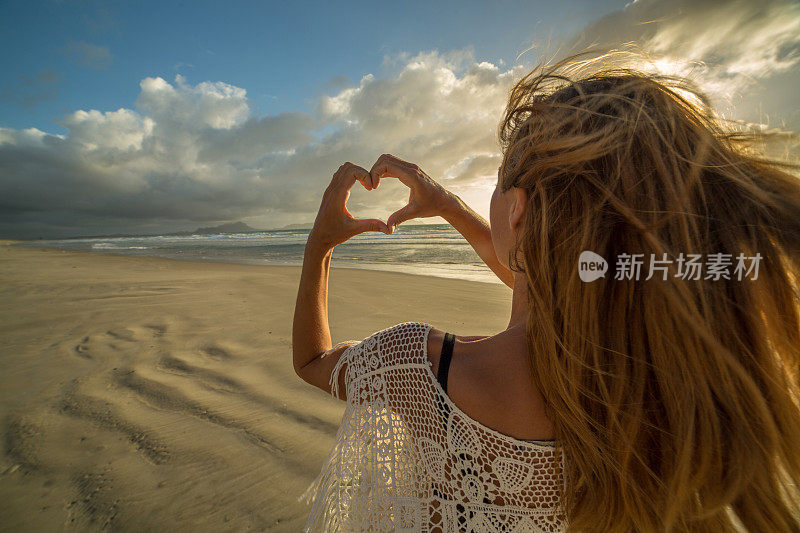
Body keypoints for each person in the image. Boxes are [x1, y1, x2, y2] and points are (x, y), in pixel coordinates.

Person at [292, 47, 800, 532]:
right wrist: (447, 204)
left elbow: (313, 361)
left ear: (516, 210)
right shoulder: (668, 392)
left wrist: (320, 245)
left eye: (497, 183)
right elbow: (570, 284)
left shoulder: (420, 368)